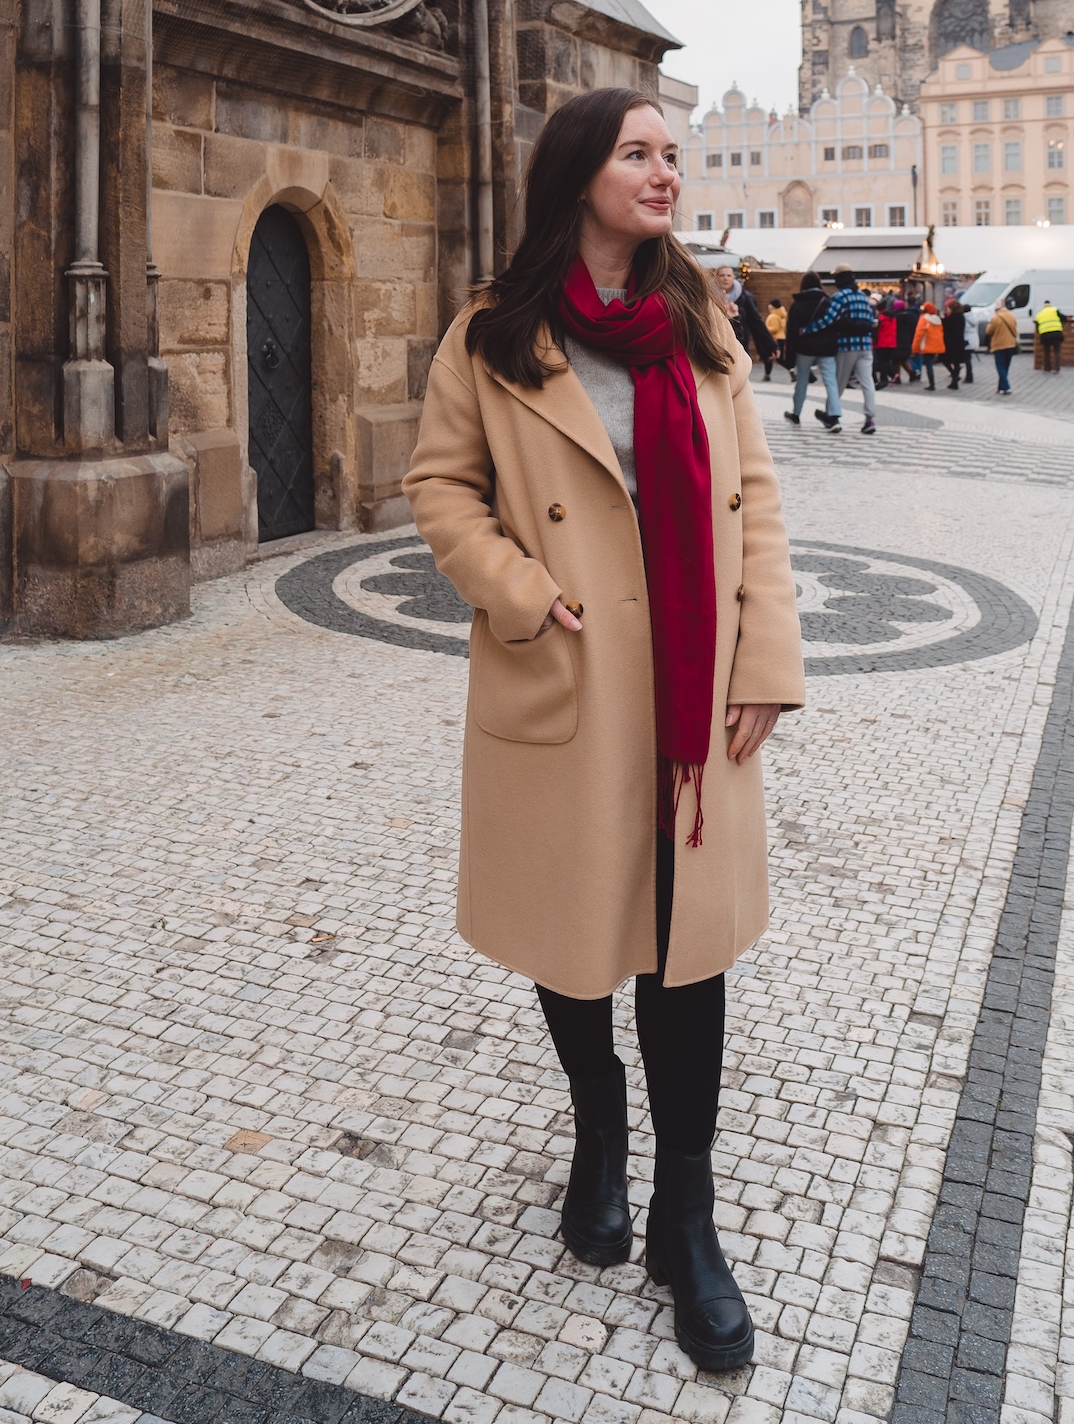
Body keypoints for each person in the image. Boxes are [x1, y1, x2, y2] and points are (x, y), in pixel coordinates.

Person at [404, 87, 804, 1373]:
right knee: (573, 937)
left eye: (673, 156)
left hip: (692, 688)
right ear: (579, 172)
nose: (665, 174)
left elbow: (757, 504)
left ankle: (687, 1224)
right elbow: (440, 487)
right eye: (640, 153)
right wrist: (521, 592)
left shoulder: (703, 328)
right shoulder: (492, 336)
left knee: (688, 953)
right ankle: (598, 1129)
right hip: (571, 678)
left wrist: (767, 661)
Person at [815, 265, 878, 435]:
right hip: (866, 346)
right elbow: (871, 321)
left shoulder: (840, 296)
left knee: (839, 382)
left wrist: (809, 329)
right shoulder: (863, 297)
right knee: (867, 382)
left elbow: (828, 319)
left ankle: (831, 415)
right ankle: (869, 419)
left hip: (847, 346)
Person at [783, 271, 840, 431]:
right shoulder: (827, 302)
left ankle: (796, 413)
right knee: (830, 381)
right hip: (827, 349)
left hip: (804, 349)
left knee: (802, 381)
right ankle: (834, 417)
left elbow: (792, 333)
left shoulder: (797, 305)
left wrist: (789, 357)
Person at [987, 297, 1019, 395]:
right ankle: (1000, 386)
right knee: (1006, 367)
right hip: (1010, 344)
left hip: (999, 345)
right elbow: (1015, 330)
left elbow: (988, 331)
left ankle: (1006, 387)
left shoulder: (995, 318)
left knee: (1000, 367)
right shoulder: (1012, 316)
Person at [911, 299, 945, 389]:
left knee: (928, 364)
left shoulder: (924, 319)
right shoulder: (937, 319)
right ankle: (932, 383)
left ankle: (932, 384)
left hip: (926, 345)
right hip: (936, 345)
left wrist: (915, 347)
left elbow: (919, 334)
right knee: (930, 363)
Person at [942, 297, 969, 390]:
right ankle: (954, 381)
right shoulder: (961, 317)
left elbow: (944, 327)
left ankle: (954, 377)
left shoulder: (950, 318)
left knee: (945, 359)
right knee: (956, 362)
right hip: (959, 342)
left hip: (949, 343)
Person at [873, 297, 900, 389]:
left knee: (882, 362)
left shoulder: (881, 318)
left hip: (881, 343)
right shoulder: (892, 318)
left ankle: (884, 379)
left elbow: (876, 332)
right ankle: (893, 375)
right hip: (891, 343)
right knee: (886, 361)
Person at [1034, 300, 1065, 371]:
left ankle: (1047, 368)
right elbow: (1064, 318)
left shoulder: (1039, 314)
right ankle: (1056, 368)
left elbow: (1038, 324)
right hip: (1056, 333)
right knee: (1057, 351)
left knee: (1046, 352)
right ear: (1050, 305)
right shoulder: (1054, 310)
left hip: (1045, 334)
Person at [765, 297, 788, 368]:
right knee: (778, 358)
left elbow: (774, 329)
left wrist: (765, 329)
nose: (768, 306)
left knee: (773, 357)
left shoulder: (773, 316)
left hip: (775, 338)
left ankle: (791, 368)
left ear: (773, 306)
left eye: (770, 304)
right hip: (781, 337)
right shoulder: (781, 315)